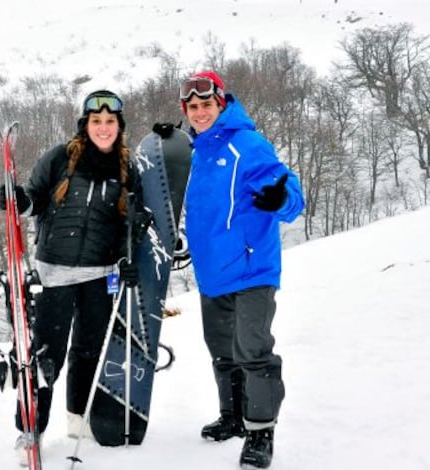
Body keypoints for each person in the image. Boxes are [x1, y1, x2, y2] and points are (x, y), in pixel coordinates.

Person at [0, 90, 146, 465]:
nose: (103, 128)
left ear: (119, 126)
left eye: (110, 122)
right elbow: (35, 201)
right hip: (55, 274)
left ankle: (79, 420)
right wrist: (17, 199)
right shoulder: (59, 158)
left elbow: (132, 224)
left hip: (100, 275)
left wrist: (128, 258)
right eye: (96, 121)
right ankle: (30, 430)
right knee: (46, 357)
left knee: (89, 352)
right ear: (86, 125)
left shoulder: (129, 169)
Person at [179, 71, 305, 469]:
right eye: (193, 107)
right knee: (222, 352)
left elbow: (293, 195)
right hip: (212, 272)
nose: (200, 112)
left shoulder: (247, 143)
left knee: (253, 351)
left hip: (252, 269)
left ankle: (260, 433)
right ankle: (233, 417)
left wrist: (281, 198)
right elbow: (202, 212)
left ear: (222, 103)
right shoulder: (197, 150)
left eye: (207, 104)